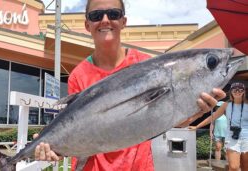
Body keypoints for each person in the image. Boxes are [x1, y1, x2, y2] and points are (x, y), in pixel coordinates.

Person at [34, 0, 226, 170]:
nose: (105, 20)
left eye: (114, 14)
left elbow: (165, 120)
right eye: (96, 15)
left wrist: (196, 112)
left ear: (124, 21)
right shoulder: (78, 75)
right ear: (87, 24)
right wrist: (53, 148)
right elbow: (76, 130)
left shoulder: (145, 64)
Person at [190, 82, 248, 171]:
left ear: (244, 92)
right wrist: (197, 126)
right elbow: (212, 117)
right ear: (231, 92)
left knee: (245, 166)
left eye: (240, 90)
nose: (237, 92)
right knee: (234, 167)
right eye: (235, 90)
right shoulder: (226, 105)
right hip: (232, 138)